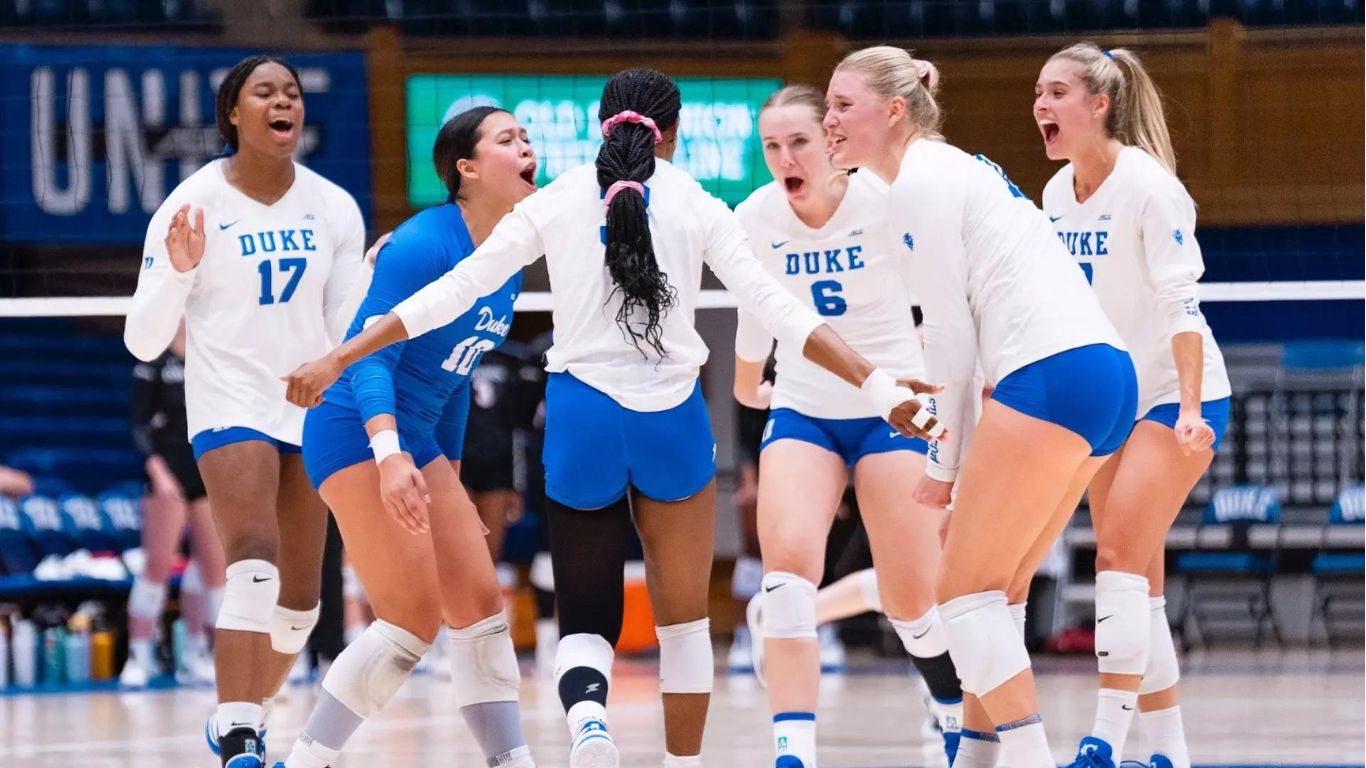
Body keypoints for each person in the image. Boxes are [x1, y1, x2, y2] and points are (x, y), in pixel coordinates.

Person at [282, 67, 941, 768]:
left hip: (581, 417)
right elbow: (782, 311)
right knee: (684, 626)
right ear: (674, 135)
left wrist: (337, 356)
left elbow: (446, 296)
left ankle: (590, 723)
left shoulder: (558, 199)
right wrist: (876, 383)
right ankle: (681, 764)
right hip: (672, 418)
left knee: (583, 615)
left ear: (602, 125)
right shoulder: (699, 202)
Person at [824, 47, 1136, 768]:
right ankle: (977, 758)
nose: (830, 120)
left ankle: (1030, 759)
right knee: (997, 590)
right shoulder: (947, 168)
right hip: (1102, 375)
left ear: (893, 111)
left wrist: (943, 460)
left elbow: (953, 338)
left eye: (843, 105)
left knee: (959, 594)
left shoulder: (921, 182)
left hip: (1051, 374)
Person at [273, 105, 540, 768]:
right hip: (353, 428)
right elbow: (367, 356)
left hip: (418, 438)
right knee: (409, 622)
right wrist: (391, 457)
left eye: (528, 138)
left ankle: (513, 761)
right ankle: (304, 760)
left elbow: (455, 379)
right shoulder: (423, 245)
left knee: (480, 607)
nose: (528, 148)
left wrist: (444, 476)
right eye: (509, 140)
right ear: (466, 169)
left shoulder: (508, 259)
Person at [123, 55, 367, 768]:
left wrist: (334, 370)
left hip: (310, 401)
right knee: (253, 563)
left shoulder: (334, 207)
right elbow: (141, 338)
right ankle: (240, 735)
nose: (283, 100)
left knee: (301, 608)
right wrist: (178, 270)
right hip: (229, 400)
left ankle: (242, 713)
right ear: (234, 112)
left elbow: (346, 324)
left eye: (291, 92)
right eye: (265, 91)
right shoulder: (189, 206)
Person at [732, 84, 961, 768]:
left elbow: (946, 298)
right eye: (771, 146)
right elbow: (754, 320)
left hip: (892, 409)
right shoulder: (754, 216)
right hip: (805, 411)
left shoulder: (884, 201)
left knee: (912, 601)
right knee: (786, 584)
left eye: (798, 141)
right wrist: (751, 390)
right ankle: (792, 753)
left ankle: (950, 709)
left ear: (832, 139)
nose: (783, 157)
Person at [1036, 43, 1231, 768]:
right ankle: (1171, 755)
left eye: (1058, 92)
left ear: (1100, 105)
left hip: (1183, 396)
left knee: (1116, 552)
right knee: (1139, 580)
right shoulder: (1056, 195)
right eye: (1038, 93)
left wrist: (1186, 409)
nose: (1042, 107)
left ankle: (1102, 742)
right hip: (1112, 397)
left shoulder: (1150, 188)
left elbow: (1183, 303)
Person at [123, 320, 225, 688]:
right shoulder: (154, 358)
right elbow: (137, 425)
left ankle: (201, 654)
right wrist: (159, 473)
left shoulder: (210, 353)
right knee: (158, 564)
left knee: (214, 570)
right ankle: (138, 656)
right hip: (166, 472)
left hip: (205, 469)